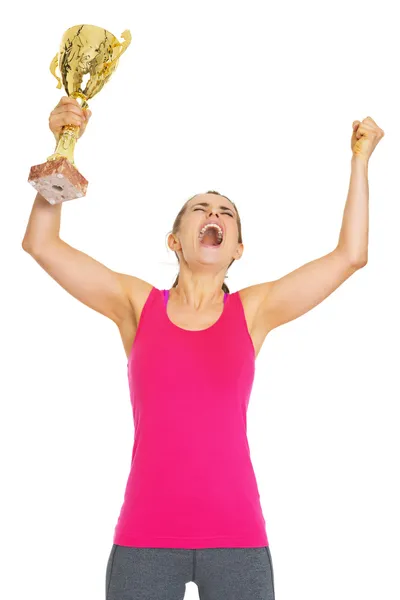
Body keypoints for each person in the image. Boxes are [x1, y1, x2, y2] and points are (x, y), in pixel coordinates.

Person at [22, 96, 384, 600]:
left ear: (237, 248)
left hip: (238, 539)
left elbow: (350, 256)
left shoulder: (254, 312)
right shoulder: (135, 305)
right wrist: (62, 148)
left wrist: (360, 159)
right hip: (144, 539)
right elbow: (42, 244)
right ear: (175, 240)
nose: (213, 213)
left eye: (226, 213)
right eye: (200, 209)